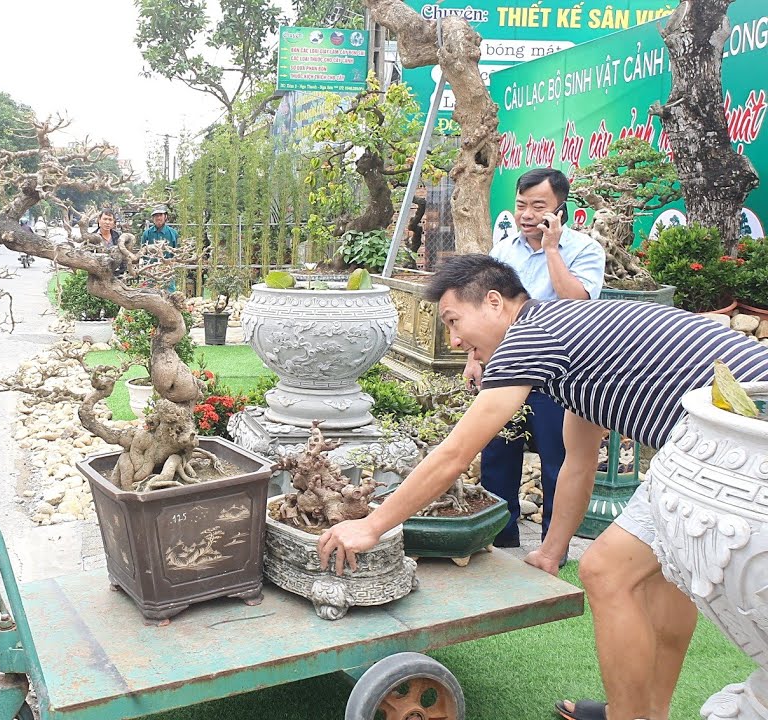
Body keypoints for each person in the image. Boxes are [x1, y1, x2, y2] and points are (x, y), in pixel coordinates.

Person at [317, 254, 768, 720]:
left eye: (454, 321)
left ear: (495, 302)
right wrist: (552, 551)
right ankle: (646, 712)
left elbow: (455, 453)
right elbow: (578, 461)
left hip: (742, 435)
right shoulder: (572, 344)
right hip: (710, 443)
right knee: (664, 576)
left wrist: (371, 525)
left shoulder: (530, 334)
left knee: (606, 571)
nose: (454, 340)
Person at [471, 168, 605, 547]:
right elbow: (485, 312)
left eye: (538, 206)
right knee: (497, 453)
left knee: (557, 461)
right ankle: (501, 541)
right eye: (521, 205)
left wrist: (551, 249)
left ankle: (553, 547)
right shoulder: (503, 251)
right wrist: (476, 360)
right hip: (507, 366)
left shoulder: (585, 250)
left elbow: (576, 302)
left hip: (558, 375)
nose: (527, 215)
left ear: (560, 210)